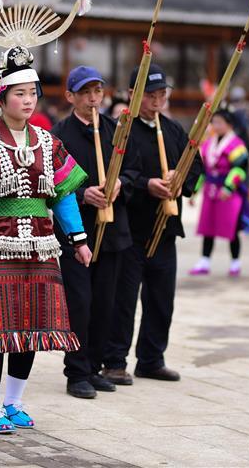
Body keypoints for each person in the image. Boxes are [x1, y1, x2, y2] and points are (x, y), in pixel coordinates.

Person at [0, 0, 92, 434]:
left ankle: (14, 402)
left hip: (42, 248)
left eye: (32, 93)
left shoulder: (49, 143)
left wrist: (79, 239)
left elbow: (64, 194)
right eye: (19, 93)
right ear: (1, 96)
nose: (28, 101)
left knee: (30, 328)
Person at [102, 64, 203, 385]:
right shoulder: (120, 129)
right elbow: (112, 174)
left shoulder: (172, 130)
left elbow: (195, 165)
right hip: (130, 229)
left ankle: (152, 358)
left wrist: (179, 179)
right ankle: (115, 360)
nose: (157, 100)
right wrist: (146, 184)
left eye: (162, 94)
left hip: (165, 230)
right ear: (133, 95)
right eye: (150, 95)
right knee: (123, 298)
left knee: (162, 298)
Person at [52, 66, 140, 399]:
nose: (92, 99)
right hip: (77, 234)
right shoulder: (60, 135)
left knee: (107, 302)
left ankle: (95, 366)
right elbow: (52, 182)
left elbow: (133, 169)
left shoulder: (116, 131)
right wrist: (82, 193)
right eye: (85, 92)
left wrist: (120, 183)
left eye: (97, 91)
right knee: (81, 302)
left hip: (114, 230)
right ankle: (76, 372)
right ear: (70, 96)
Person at [191, 109, 249, 277]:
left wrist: (229, 187)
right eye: (214, 122)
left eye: (220, 122)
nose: (216, 126)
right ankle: (204, 260)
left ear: (229, 125)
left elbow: (240, 169)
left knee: (231, 227)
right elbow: (202, 170)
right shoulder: (208, 143)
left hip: (229, 192)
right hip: (210, 191)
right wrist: (194, 191)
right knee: (207, 227)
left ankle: (235, 262)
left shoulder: (237, 145)